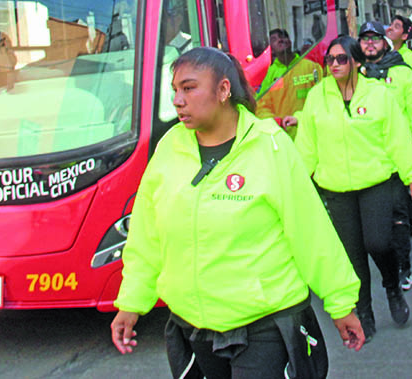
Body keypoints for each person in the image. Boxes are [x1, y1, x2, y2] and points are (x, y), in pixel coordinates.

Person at [111, 48, 364, 372]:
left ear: (223, 90)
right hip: (194, 326)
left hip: (265, 324)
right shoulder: (168, 148)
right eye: (174, 90)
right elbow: (147, 235)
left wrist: (341, 303)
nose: (177, 100)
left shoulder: (270, 145)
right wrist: (131, 302)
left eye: (189, 88)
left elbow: (311, 231)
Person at [294, 37, 412, 342]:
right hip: (335, 188)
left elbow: (398, 138)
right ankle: (364, 311)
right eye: (330, 60)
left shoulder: (378, 94)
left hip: (376, 182)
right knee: (352, 256)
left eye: (341, 59)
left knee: (379, 243)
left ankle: (392, 287)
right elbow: (306, 147)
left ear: (356, 62)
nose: (334, 65)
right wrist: (298, 183)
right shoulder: (316, 97)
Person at [358, 20, 412, 288]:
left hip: (399, 158)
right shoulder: (354, 75)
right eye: (364, 39)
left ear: (385, 42)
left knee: (402, 218)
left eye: (375, 38)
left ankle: (404, 267)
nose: (370, 44)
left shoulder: (402, 73)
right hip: (366, 161)